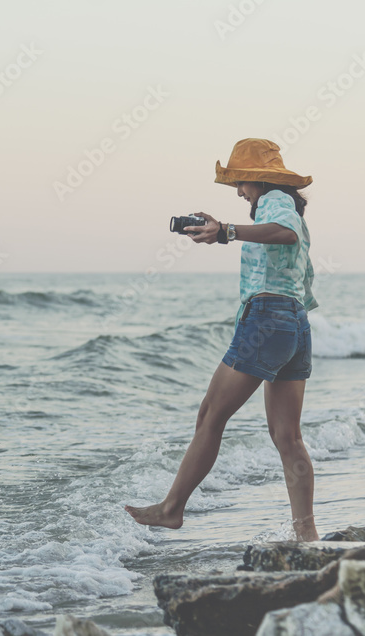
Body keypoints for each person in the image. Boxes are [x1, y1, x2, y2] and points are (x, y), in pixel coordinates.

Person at [124, 138, 320, 542]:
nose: (238, 191)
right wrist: (221, 229)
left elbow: (285, 234)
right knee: (288, 436)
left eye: (241, 182)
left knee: (211, 416)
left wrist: (227, 231)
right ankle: (307, 534)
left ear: (256, 179)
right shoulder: (281, 203)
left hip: (267, 319)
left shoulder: (275, 202)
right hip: (294, 323)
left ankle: (171, 509)